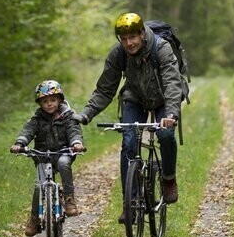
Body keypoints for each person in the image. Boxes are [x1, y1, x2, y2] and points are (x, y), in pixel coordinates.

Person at [73, 12, 183, 222]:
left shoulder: (161, 48)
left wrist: (171, 114)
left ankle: (168, 178)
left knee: (166, 135)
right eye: (123, 39)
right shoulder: (119, 54)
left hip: (162, 98)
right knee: (129, 141)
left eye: (132, 37)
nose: (128, 43)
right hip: (135, 97)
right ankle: (129, 203)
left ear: (142, 34)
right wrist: (85, 114)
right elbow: (105, 89)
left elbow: (171, 84)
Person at [10, 80, 86, 237]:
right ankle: (34, 219)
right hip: (43, 155)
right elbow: (28, 131)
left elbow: (74, 132)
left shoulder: (68, 116)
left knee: (65, 164)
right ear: (40, 103)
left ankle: (69, 198)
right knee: (39, 186)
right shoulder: (37, 118)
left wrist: (76, 143)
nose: (49, 104)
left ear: (59, 100)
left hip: (63, 152)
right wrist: (20, 143)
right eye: (45, 101)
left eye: (52, 100)